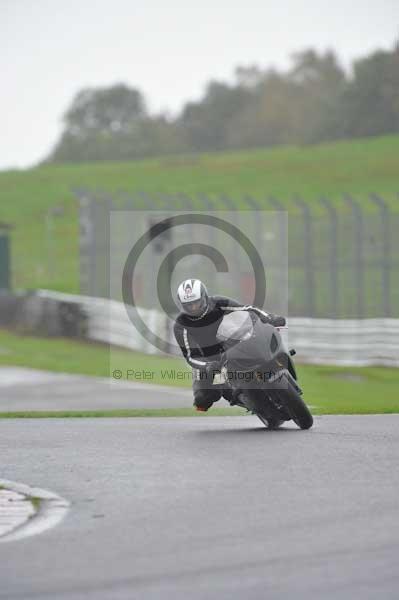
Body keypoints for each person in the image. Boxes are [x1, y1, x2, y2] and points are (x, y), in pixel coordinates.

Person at [173, 279, 286, 412]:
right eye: (189, 305)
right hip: (209, 360)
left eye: (197, 303)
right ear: (182, 305)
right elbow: (190, 356)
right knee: (203, 400)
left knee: (259, 341)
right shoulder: (181, 325)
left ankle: (274, 365)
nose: (194, 308)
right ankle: (239, 397)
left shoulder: (218, 303)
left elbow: (247, 308)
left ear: (204, 297)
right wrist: (207, 366)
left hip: (232, 343)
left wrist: (270, 318)